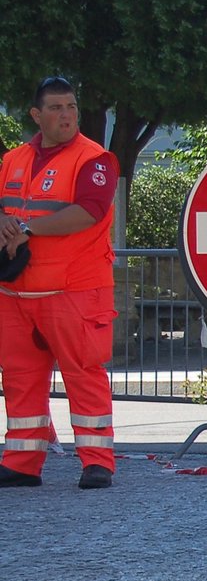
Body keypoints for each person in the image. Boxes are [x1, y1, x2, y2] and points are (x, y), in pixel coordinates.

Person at [0, 77, 120, 489]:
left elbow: (88, 211)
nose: (66, 115)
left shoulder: (96, 158)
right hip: (16, 292)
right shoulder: (13, 159)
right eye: (55, 108)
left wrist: (28, 229)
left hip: (74, 290)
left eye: (70, 106)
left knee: (83, 373)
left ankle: (97, 461)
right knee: (19, 377)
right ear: (36, 115)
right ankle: (21, 461)